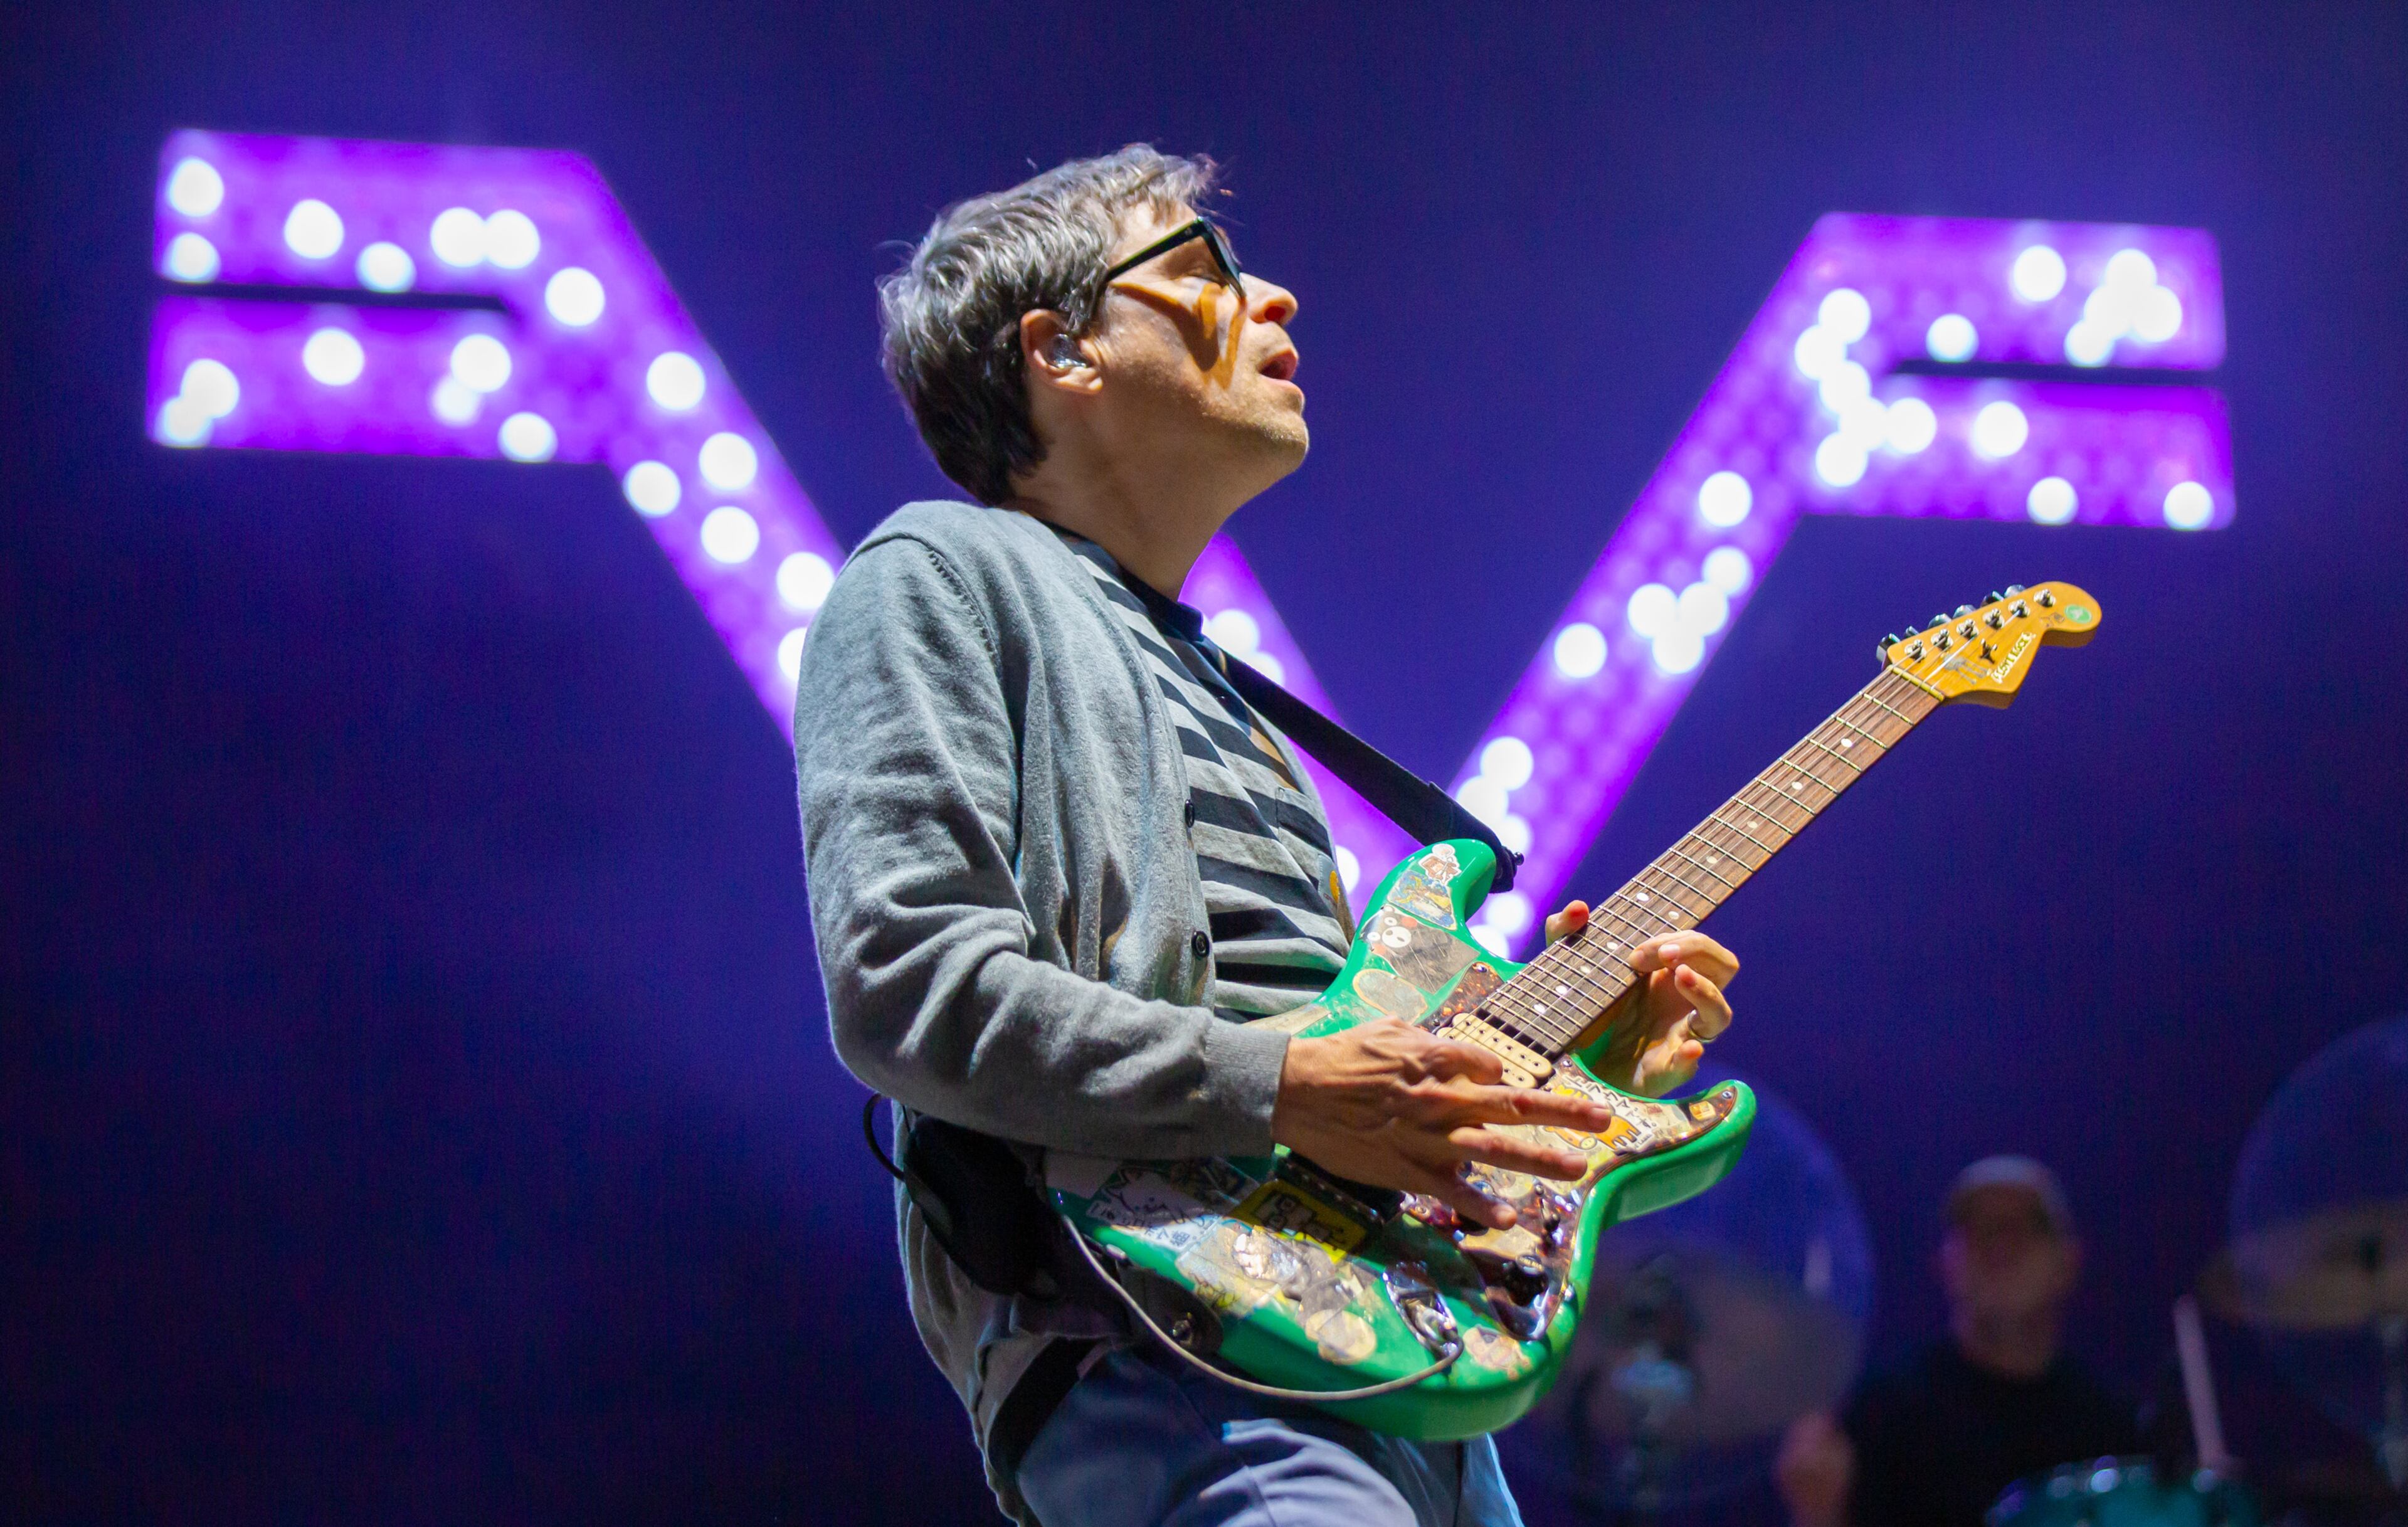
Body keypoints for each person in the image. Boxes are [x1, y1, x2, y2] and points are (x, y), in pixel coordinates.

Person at [791, 147, 1741, 1527]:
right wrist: (1286, 1082)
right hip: (1170, 1337)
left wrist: (1556, 1075)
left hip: (1384, 1348)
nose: (1278, 297)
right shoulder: (938, 570)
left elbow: (1340, 1072)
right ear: (1060, 350)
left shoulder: (1220, 693)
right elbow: (909, 988)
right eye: (1202, 272)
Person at [1776, 1156, 2139, 1527]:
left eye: (2024, 1227)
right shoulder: (1880, 1418)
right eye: (1979, 1229)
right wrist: (1816, 1514)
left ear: (2069, 1261)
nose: (2000, 1245)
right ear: (1947, 1262)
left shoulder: (2117, 1434)